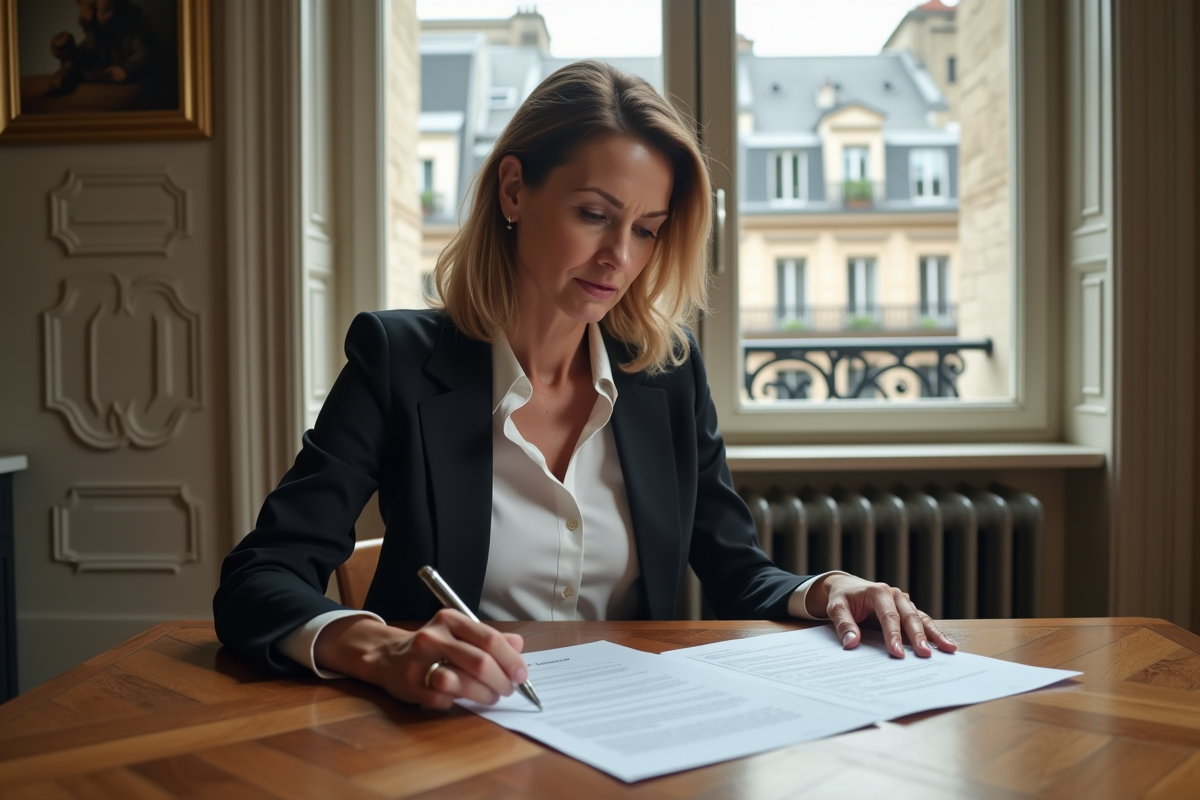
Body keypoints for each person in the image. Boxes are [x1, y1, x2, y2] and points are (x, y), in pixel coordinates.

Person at [214, 60, 955, 711]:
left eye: (647, 228)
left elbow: (737, 571)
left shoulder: (667, 373)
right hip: (447, 734)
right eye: (594, 215)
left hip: (633, 729)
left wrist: (824, 590)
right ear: (513, 190)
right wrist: (381, 652)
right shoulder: (396, 360)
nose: (618, 257)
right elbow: (261, 577)